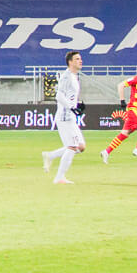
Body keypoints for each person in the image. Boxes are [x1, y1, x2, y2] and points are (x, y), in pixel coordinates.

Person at [41, 51, 86, 185]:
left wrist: (76, 105)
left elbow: (69, 96)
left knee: (80, 147)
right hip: (65, 116)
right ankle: (59, 178)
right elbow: (59, 96)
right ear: (70, 62)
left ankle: (50, 155)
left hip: (70, 116)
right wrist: (71, 107)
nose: (80, 61)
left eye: (80, 58)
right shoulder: (67, 77)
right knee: (72, 146)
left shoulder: (74, 76)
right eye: (77, 59)